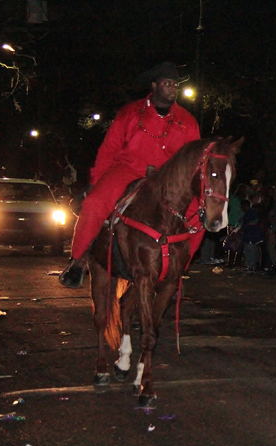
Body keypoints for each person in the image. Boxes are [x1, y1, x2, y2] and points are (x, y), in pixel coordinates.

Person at [59, 62, 201, 288]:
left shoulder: (188, 121)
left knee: (198, 215)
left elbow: (192, 159)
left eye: (175, 85)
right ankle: (78, 260)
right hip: (128, 169)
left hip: (166, 179)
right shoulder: (130, 112)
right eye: (167, 83)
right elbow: (109, 148)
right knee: (95, 203)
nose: (172, 88)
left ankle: (176, 271)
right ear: (154, 86)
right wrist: (95, 182)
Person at [240, 199, 262, 273]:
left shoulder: (252, 212)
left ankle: (252, 266)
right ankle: (248, 266)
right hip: (247, 235)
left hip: (252, 235)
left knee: (251, 251)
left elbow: (256, 221)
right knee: (247, 251)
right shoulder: (247, 213)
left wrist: (248, 224)